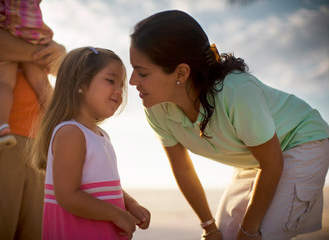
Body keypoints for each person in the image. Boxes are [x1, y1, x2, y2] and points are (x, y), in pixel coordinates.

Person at [129, 10, 329, 240]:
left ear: (181, 73)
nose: (133, 81)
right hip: (255, 158)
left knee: (260, 234)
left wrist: (249, 230)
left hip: (300, 141)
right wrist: (209, 226)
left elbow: (272, 163)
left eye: (142, 72)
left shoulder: (236, 92)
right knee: (224, 234)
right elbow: (183, 169)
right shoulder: (156, 108)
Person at [30, 47, 150, 240]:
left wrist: (130, 204)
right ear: (81, 83)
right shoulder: (71, 133)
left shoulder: (100, 135)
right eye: (111, 81)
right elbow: (68, 196)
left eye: (121, 85)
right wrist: (117, 214)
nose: (119, 91)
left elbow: (103, 185)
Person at [0, 0, 66, 239]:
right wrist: (39, 52)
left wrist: (60, 53)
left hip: (40, 143)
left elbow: (58, 67)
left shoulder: (28, 14)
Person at [0, 0, 54, 157]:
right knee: (42, 85)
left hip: (5, 31)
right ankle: (56, 129)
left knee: (3, 83)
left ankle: (0, 129)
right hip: (32, 31)